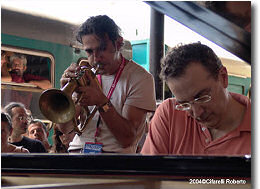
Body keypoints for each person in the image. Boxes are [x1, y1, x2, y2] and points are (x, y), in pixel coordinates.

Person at [58, 15, 156, 153]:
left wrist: (101, 101)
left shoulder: (140, 78)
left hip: (113, 159)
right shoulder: (86, 75)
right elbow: (65, 128)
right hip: (77, 152)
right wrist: (65, 98)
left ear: (118, 44)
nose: (96, 57)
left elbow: (127, 138)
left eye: (102, 48)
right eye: (89, 51)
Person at [141, 42, 251, 155]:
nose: (197, 113)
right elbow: (148, 172)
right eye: (185, 104)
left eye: (202, 97)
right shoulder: (170, 113)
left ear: (223, 77)